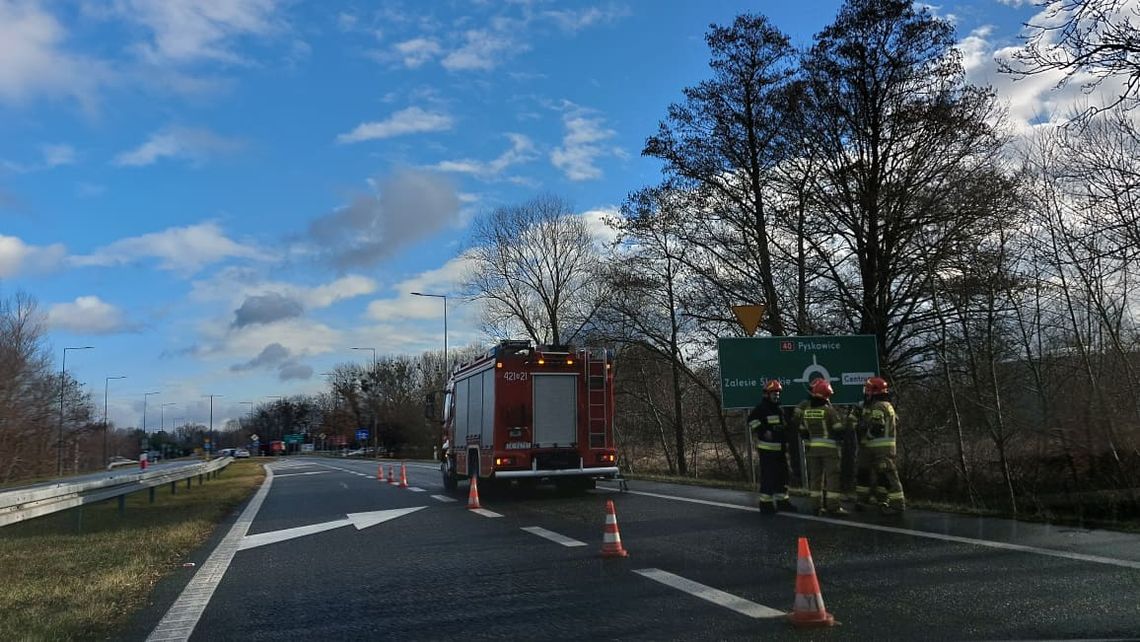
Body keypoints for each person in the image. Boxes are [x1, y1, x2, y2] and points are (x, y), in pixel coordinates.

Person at [794, 379, 848, 516]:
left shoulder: (807, 412)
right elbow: (838, 430)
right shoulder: (829, 412)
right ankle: (833, 507)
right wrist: (846, 424)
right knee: (832, 478)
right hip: (830, 450)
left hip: (813, 450)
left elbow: (802, 430)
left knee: (815, 479)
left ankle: (816, 507)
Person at [747, 380, 795, 514]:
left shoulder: (779, 408)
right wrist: (763, 431)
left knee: (783, 476)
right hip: (767, 450)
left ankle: (782, 502)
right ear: (767, 394)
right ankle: (766, 504)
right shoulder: (762, 408)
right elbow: (751, 421)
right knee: (769, 477)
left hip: (780, 449)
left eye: (778, 393)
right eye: (774, 393)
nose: (777, 395)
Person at [862, 376, 905, 513]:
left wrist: (868, 436)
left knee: (889, 476)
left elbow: (877, 426)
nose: (866, 393)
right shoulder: (888, 405)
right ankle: (886, 502)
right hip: (887, 447)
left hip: (881, 449)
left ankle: (898, 505)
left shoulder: (878, 406)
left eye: (868, 390)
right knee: (885, 475)